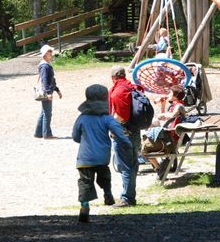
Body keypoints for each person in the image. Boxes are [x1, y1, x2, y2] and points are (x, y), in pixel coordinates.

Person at [72, 84, 132, 222]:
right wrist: (128, 146)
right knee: (104, 175)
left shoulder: (82, 118)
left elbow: (75, 136)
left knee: (85, 181)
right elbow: (120, 134)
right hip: (102, 156)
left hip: (85, 158)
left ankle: (85, 205)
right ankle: (107, 193)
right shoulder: (107, 118)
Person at [108, 65, 139, 207]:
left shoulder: (118, 91)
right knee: (132, 165)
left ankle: (127, 198)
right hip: (135, 131)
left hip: (123, 133)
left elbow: (121, 115)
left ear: (113, 77)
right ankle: (130, 196)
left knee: (125, 166)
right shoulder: (132, 87)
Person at [143, 85, 187, 178]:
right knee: (151, 126)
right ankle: (159, 168)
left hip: (170, 138)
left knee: (145, 147)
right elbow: (164, 120)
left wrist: (163, 114)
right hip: (168, 134)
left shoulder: (179, 106)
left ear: (175, 95)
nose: (168, 94)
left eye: (170, 93)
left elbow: (172, 115)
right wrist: (163, 105)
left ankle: (159, 168)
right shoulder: (175, 105)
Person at [34, 44, 62, 139]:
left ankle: (38, 133)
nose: (51, 53)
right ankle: (47, 134)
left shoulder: (46, 65)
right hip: (46, 92)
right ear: (45, 54)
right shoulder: (45, 66)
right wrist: (49, 93)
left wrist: (57, 90)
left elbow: (51, 80)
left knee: (43, 112)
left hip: (47, 91)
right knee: (47, 113)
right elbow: (45, 80)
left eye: (51, 51)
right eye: (49, 52)